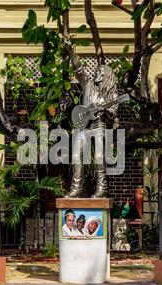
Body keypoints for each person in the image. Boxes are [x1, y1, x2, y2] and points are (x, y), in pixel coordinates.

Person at [62, 39, 119, 198]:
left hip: (99, 125)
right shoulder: (87, 85)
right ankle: (77, 188)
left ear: (107, 76)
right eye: (97, 71)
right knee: (75, 155)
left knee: (99, 156)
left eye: (100, 72)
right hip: (84, 126)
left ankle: (102, 189)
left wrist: (105, 108)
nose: (96, 73)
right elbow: (78, 70)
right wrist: (71, 51)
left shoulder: (111, 94)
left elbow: (113, 112)